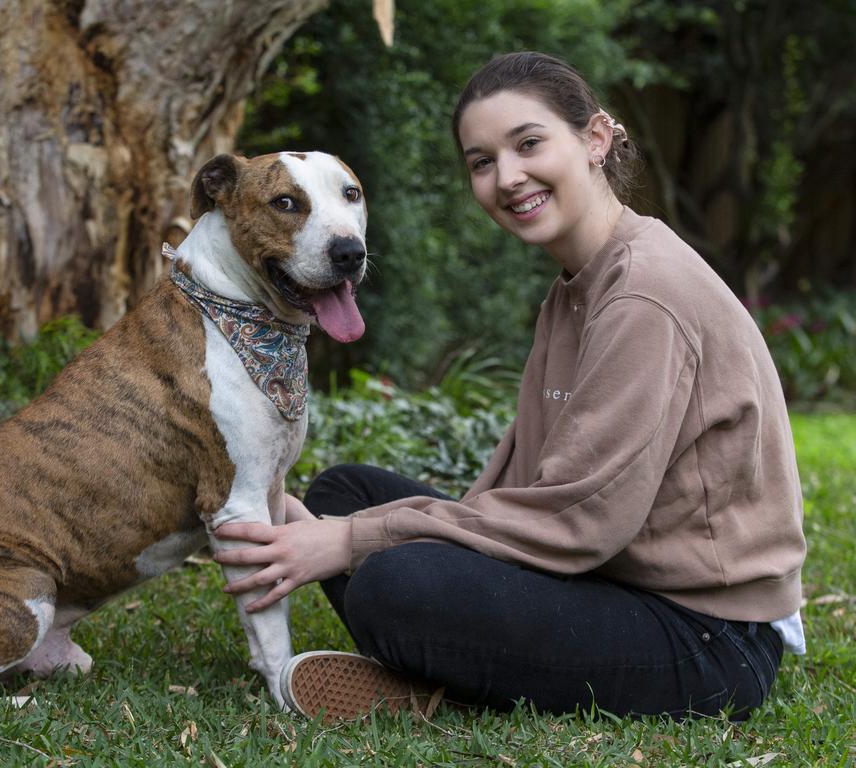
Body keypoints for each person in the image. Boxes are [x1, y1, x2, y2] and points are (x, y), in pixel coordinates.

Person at [213, 51, 807, 721]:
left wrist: (350, 543)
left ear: (595, 139)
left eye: (528, 144)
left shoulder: (647, 295)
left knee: (389, 581)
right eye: (482, 161)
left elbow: (579, 520)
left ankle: (443, 678)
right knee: (343, 493)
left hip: (707, 639)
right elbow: (524, 482)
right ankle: (447, 663)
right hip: (608, 577)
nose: (508, 177)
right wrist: (356, 527)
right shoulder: (577, 285)